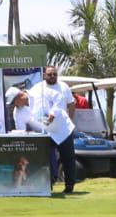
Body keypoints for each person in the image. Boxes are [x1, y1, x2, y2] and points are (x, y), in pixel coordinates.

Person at [28, 65, 78, 195]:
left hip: (63, 129)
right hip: (47, 131)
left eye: (55, 74)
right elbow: (29, 101)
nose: (52, 76)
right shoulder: (37, 88)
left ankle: (69, 186)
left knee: (68, 159)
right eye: (50, 74)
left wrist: (71, 120)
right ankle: (47, 185)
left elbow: (71, 104)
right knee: (46, 159)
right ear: (44, 75)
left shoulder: (64, 87)